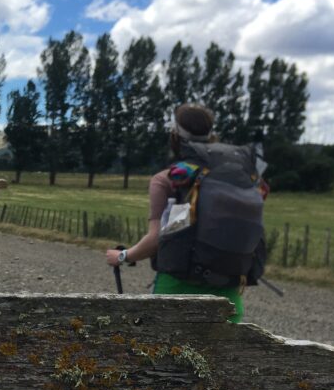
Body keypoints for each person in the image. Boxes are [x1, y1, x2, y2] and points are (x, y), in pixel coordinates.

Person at [105, 103, 265, 323]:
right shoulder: (241, 177)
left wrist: (122, 256)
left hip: (175, 292)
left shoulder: (171, 179)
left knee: (164, 355)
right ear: (212, 136)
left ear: (175, 135)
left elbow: (156, 239)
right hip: (229, 298)